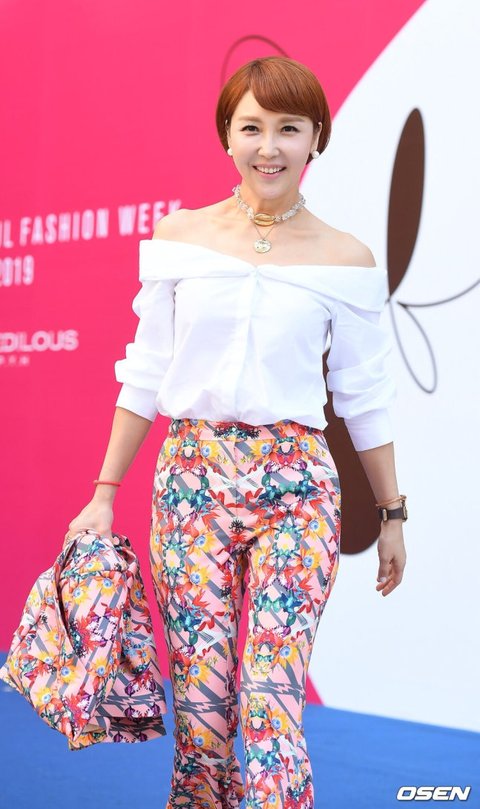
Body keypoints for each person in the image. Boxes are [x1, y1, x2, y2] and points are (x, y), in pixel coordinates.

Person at [67, 56, 407, 809]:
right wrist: (104, 492)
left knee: (270, 698)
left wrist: (392, 513)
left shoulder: (346, 258)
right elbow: (145, 373)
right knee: (203, 708)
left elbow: (364, 397)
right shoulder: (179, 238)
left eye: (289, 128)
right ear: (227, 135)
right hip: (191, 483)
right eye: (252, 127)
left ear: (316, 137)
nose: (270, 147)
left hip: (299, 489)